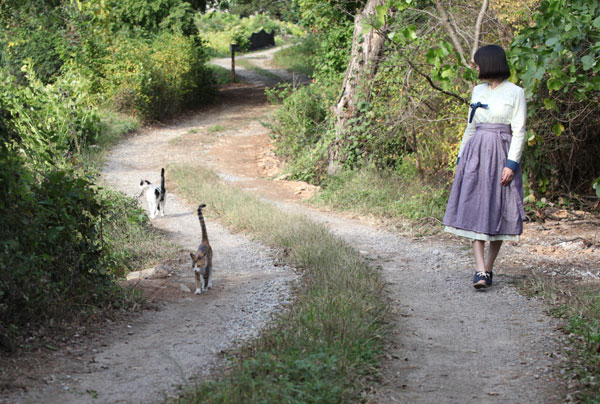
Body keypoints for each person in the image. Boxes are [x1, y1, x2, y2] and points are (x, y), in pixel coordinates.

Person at [443, 44, 526, 289]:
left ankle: (488, 268)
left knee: (497, 208)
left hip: (501, 152)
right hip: (476, 153)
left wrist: (511, 164)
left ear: (489, 63)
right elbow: (470, 127)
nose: (477, 68)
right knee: (475, 206)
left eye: (479, 63)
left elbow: (519, 131)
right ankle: (479, 271)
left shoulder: (515, 92)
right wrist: (460, 160)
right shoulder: (478, 90)